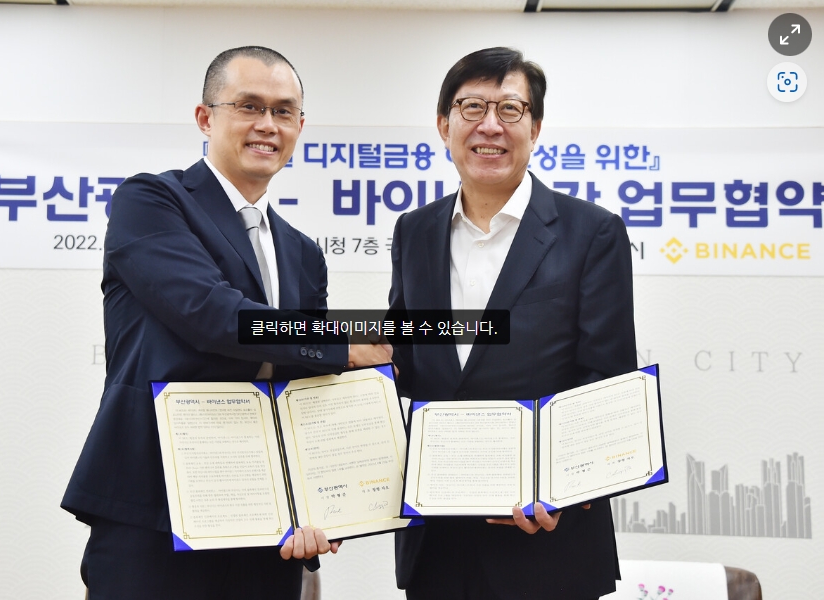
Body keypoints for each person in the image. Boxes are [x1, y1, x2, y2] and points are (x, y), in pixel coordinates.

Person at [62, 46, 391, 600]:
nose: (268, 125)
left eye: (284, 111)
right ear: (205, 117)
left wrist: (322, 502)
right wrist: (344, 343)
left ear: (300, 126)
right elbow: (210, 315)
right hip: (154, 507)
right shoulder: (152, 200)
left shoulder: (303, 252)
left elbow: (303, 385)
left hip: (268, 520)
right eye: (249, 106)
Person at [390, 47, 637, 600]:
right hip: (436, 544)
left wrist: (560, 486)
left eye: (509, 109)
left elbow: (606, 380)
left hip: (547, 542)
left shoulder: (591, 232)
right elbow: (407, 355)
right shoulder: (414, 231)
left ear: (536, 127)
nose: (490, 126)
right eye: (472, 107)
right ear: (444, 125)